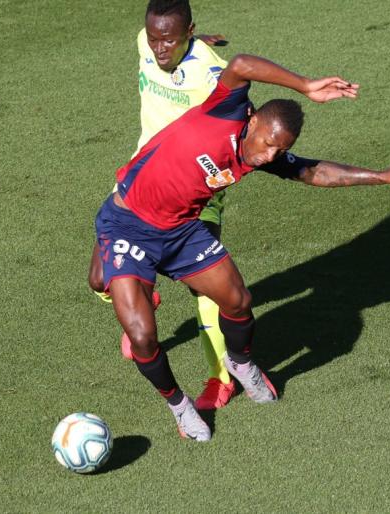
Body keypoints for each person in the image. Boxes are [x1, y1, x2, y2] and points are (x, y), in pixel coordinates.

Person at [89, 53, 390, 441]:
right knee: (142, 336)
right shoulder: (226, 108)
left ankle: (240, 363)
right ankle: (180, 406)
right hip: (129, 224)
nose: (270, 154)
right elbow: (240, 64)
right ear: (252, 122)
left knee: (237, 301)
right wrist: (305, 85)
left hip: (182, 231)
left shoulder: (255, 157)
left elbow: (313, 171)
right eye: (269, 143)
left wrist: (382, 177)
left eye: (278, 149)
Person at [88, 0, 238, 410]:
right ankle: (146, 293)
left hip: (194, 191)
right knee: (101, 280)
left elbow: (242, 114)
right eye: (154, 38)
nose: (157, 48)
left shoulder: (210, 76)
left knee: (204, 287)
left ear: (188, 30)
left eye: (168, 39)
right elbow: (162, 43)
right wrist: (183, 42)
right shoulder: (146, 42)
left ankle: (220, 377)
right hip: (139, 185)